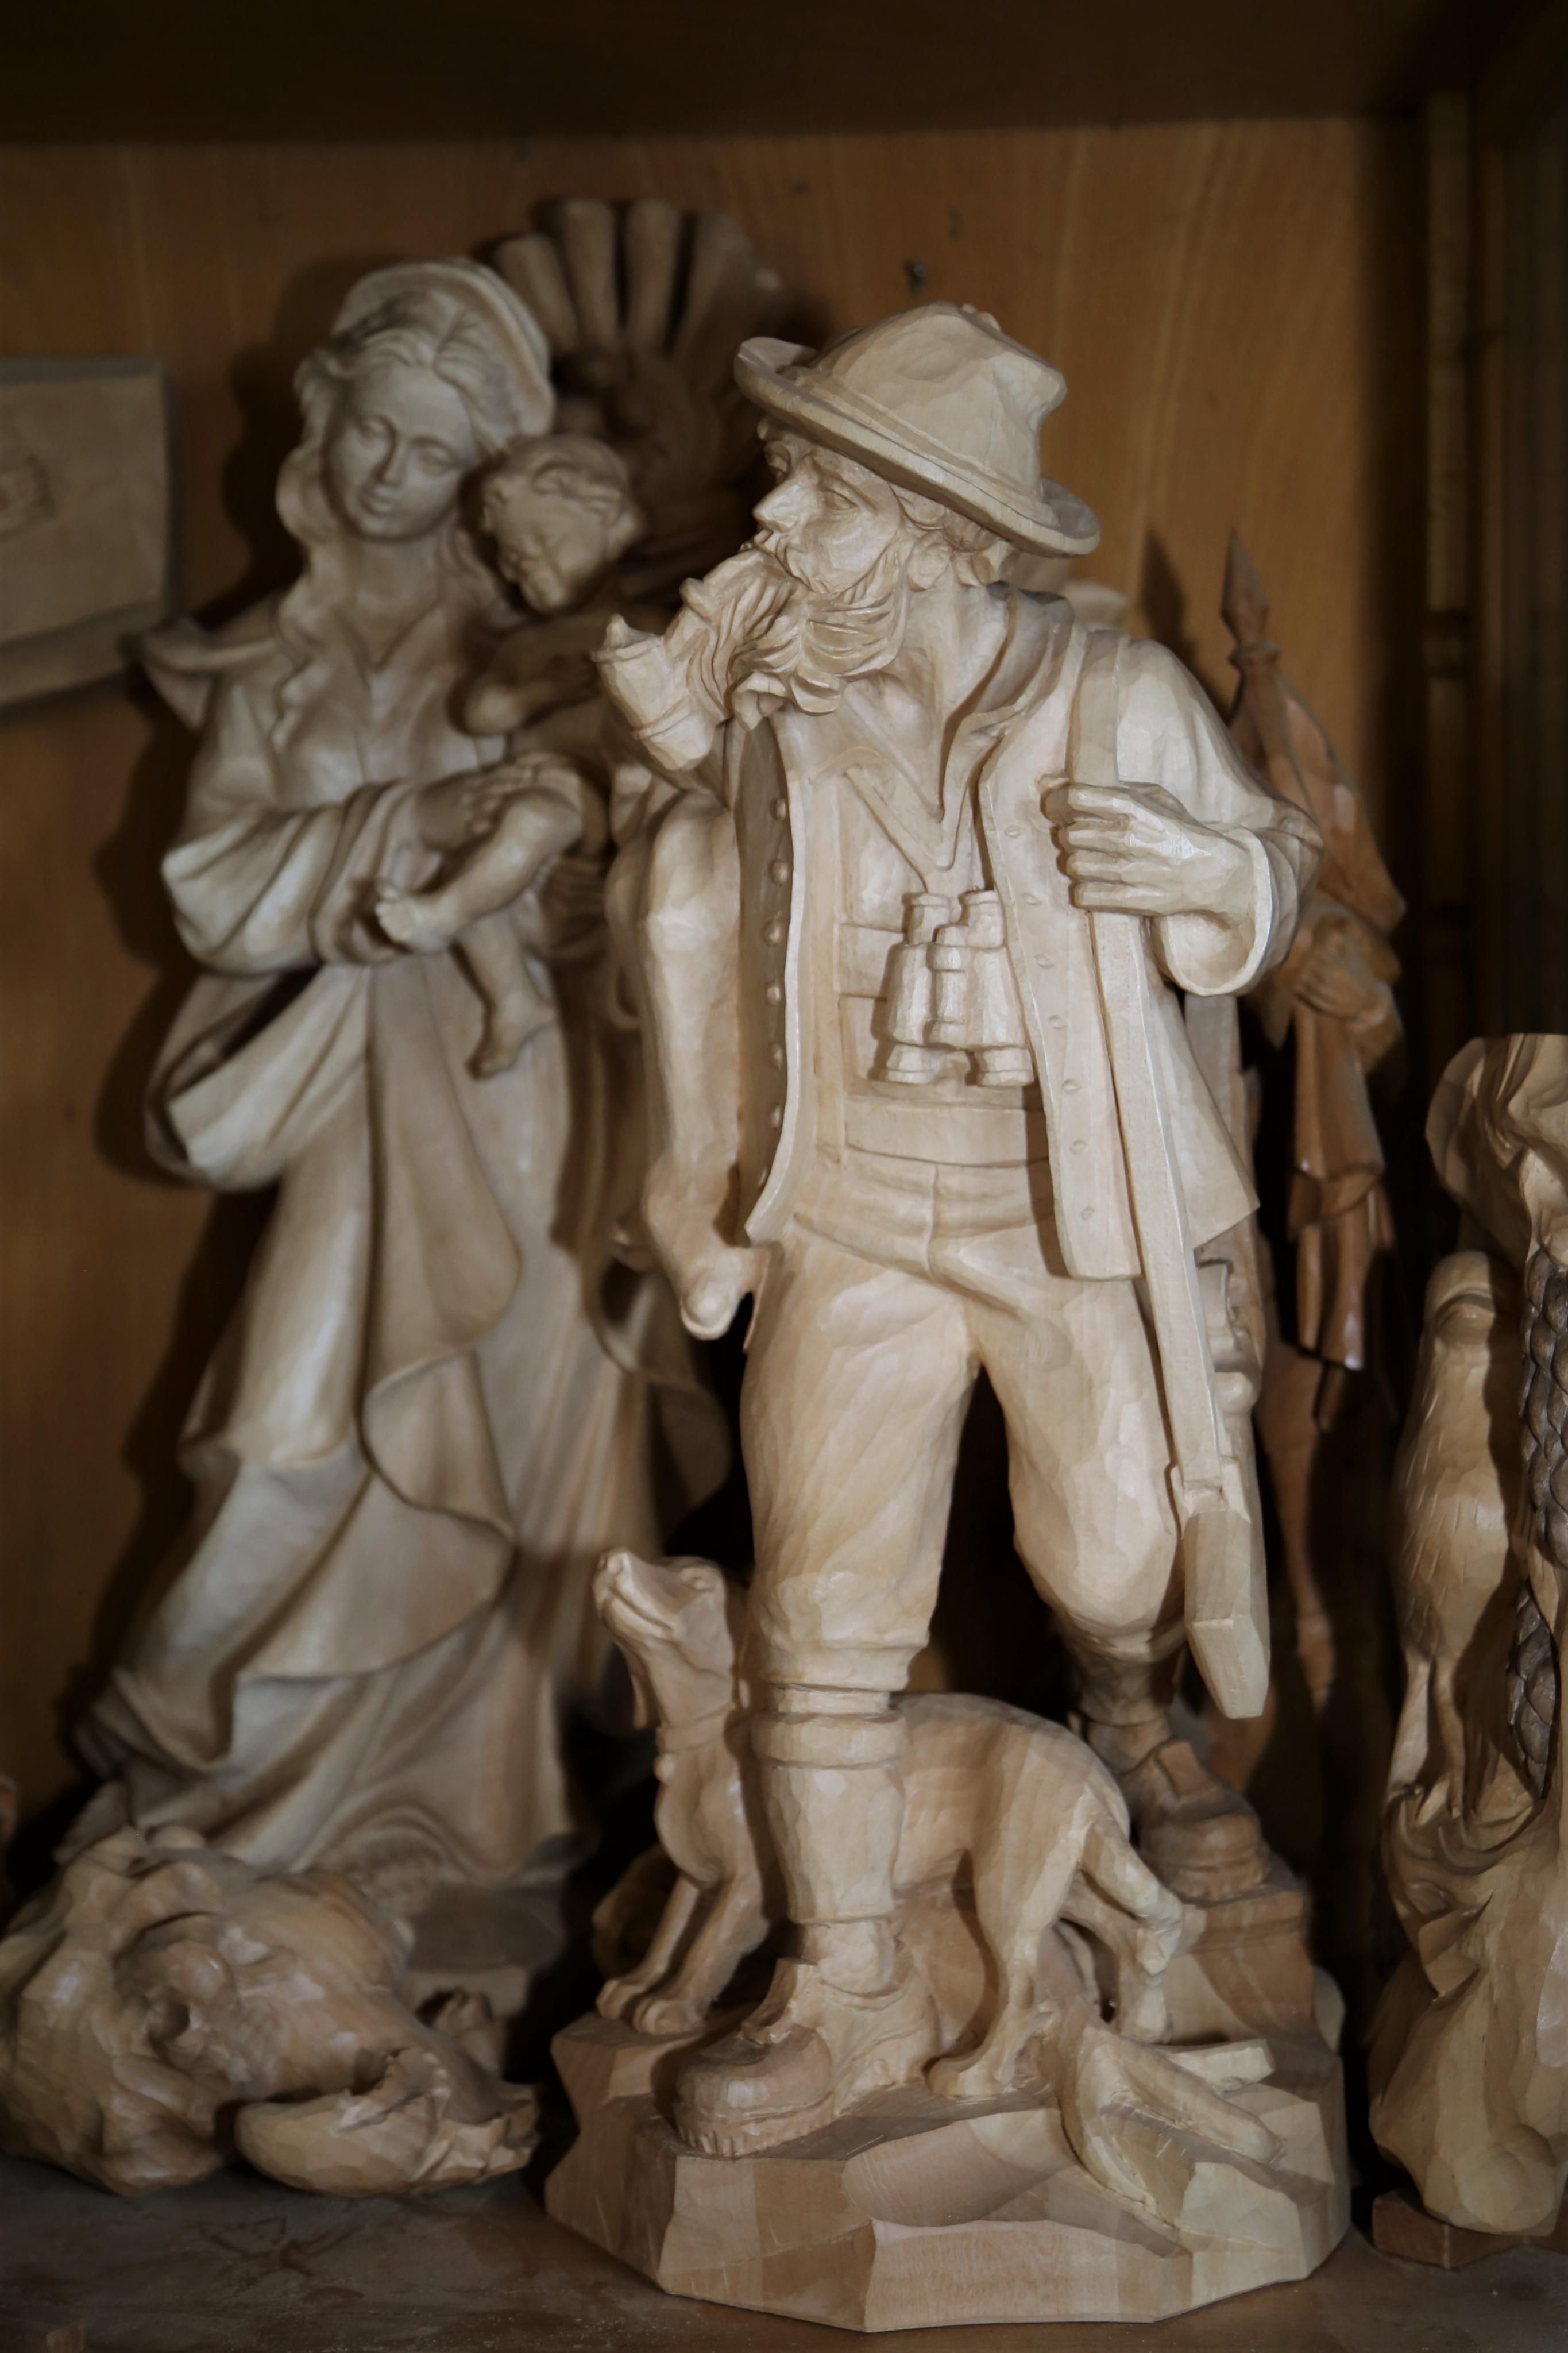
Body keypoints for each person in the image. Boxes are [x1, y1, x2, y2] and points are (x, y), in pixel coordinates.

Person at [603, 303, 1322, 2152]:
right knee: (818, 1612)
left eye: (817, 499)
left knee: (1115, 1568)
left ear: (934, 535)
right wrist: (692, 1182)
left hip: (1067, 1216)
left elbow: (1272, 873)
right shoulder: (788, 707)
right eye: (782, 487)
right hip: (848, 1210)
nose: (775, 527)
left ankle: (1118, 1728)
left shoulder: (1115, 698)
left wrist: (1213, 877)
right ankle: (836, 1983)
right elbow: (674, 868)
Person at [75, 263, 721, 1997]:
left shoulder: (531, 632)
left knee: (520, 1438)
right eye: (371, 431)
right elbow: (215, 889)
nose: (388, 474)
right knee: (295, 1424)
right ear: (322, 425)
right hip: (362, 1081)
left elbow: (639, 847)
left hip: (539, 1095)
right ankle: (244, 1796)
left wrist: (559, 867)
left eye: (431, 451)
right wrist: (413, 829)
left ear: (482, 471)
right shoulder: (273, 666)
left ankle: (476, 1826)